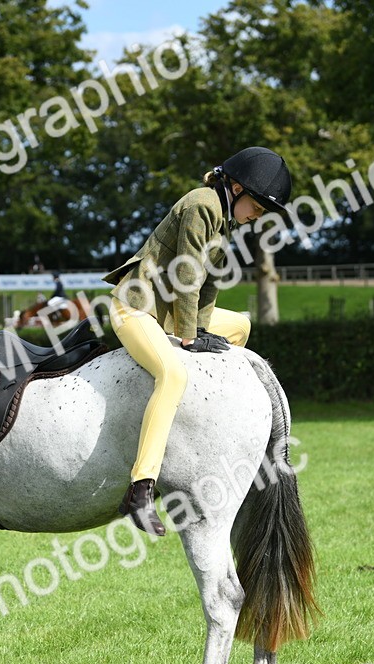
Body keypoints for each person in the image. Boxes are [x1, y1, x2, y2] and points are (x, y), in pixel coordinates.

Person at [102, 146, 291, 535]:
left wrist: (201, 328)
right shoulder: (203, 205)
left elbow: (208, 287)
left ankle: (210, 420)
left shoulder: (224, 219)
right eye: (257, 205)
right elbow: (187, 274)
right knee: (172, 375)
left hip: (167, 312)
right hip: (136, 308)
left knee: (239, 327)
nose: (258, 215)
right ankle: (140, 489)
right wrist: (189, 339)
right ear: (236, 189)